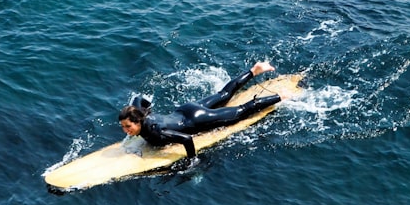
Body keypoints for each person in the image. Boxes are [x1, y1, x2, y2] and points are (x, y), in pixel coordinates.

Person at [118, 61, 287, 161]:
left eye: (127, 126)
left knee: (241, 111)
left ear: (138, 121)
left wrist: (192, 161)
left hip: (197, 119)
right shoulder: (139, 111)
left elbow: (187, 138)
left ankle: (280, 97)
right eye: (123, 127)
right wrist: (149, 105)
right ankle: (254, 70)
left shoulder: (156, 131)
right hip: (186, 108)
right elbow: (139, 99)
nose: (125, 130)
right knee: (223, 95)